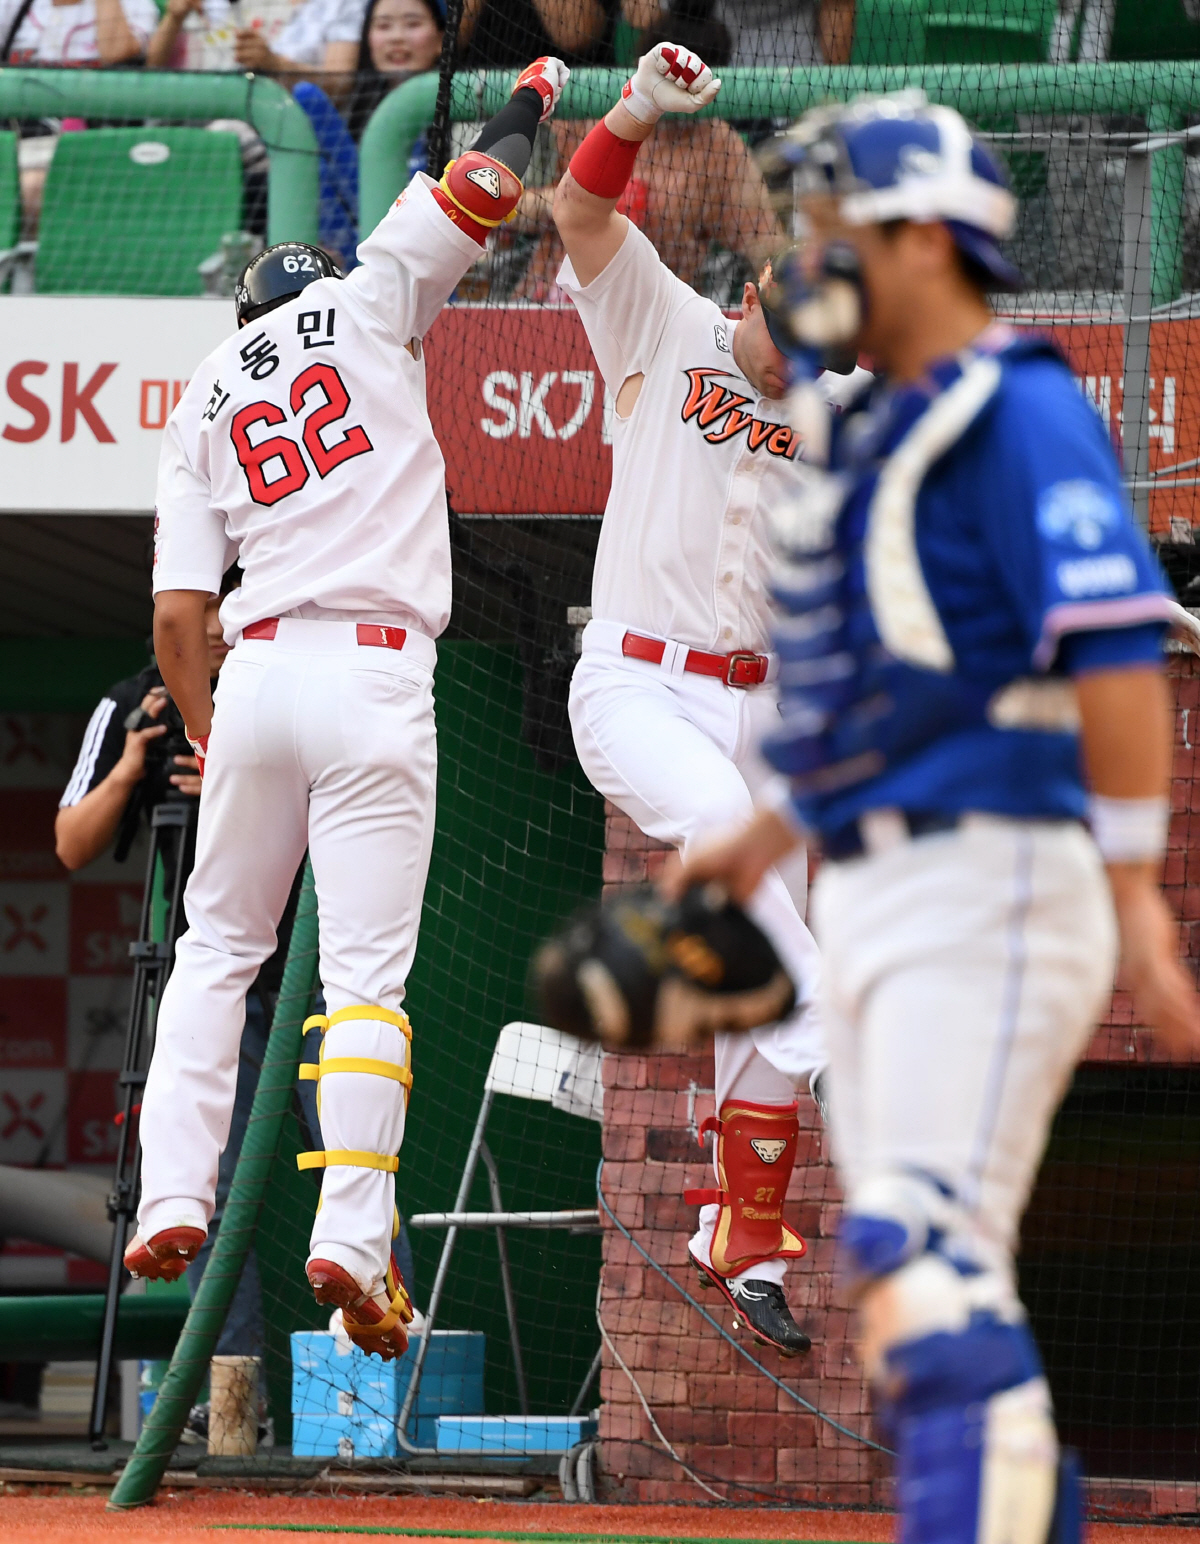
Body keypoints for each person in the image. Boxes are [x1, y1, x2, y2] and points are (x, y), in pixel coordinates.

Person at [669, 91, 1200, 1541]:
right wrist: (761, 833)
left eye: (841, 223)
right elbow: (866, 691)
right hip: (885, 889)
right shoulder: (874, 430)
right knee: (915, 1292)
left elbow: (1112, 648)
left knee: (925, 1255)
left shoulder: (1014, 406)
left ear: (924, 241)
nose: (814, 252)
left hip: (993, 877)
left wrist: (1134, 892)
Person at [123, 57, 571, 1363]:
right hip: (376, 670)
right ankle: (354, 1241)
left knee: (218, 948)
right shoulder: (370, 301)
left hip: (257, 670)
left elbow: (176, 619)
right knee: (366, 982)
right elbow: (484, 181)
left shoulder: (205, 391)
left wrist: (210, 731)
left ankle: (171, 1197)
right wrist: (531, 95)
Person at [551, 42, 867, 1357]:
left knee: (775, 963)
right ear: (753, 293)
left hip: (768, 706)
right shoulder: (667, 321)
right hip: (638, 679)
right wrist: (632, 111)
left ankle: (745, 1236)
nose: (798, 366)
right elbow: (579, 210)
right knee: (771, 920)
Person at [55, 597, 223, 872]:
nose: (217, 626)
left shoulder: (284, 691)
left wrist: (232, 793)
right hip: (178, 897)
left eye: (230, 602)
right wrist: (126, 771)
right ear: (162, 595)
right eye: (203, 605)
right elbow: (70, 849)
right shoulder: (134, 699)